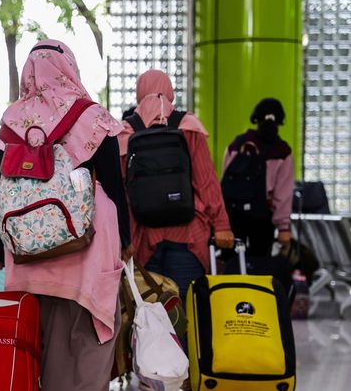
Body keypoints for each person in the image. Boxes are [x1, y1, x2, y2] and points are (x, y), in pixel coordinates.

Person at [0, 40, 132, 391]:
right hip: (85, 235)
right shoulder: (91, 116)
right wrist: (127, 239)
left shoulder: (12, 121)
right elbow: (113, 186)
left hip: (28, 240)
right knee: (95, 320)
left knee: (42, 329)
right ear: (69, 67)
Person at [118, 70, 235, 297]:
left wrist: (122, 238)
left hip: (143, 238)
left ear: (139, 93)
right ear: (170, 91)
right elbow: (206, 182)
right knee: (186, 313)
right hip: (188, 234)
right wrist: (222, 225)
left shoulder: (126, 132)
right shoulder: (188, 126)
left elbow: (120, 192)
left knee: (153, 317)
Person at [222, 98, 294, 256]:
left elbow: (225, 181)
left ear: (256, 119)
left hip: (232, 216)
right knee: (260, 268)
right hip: (262, 218)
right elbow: (283, 195)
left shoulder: (237, 145)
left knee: (231, 266)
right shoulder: (282, 151)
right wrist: (283, 228)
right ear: (280, 121)